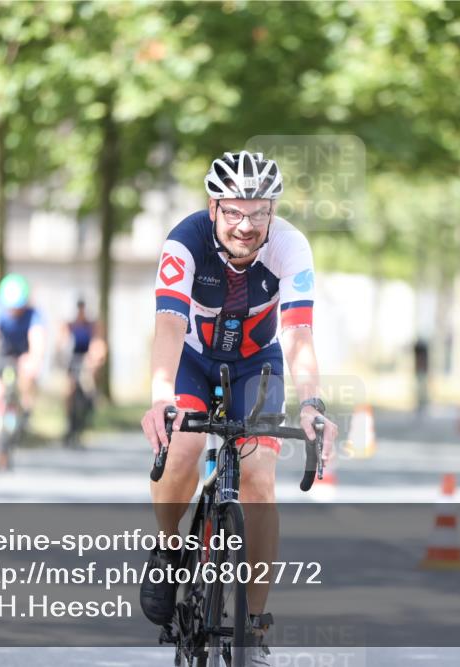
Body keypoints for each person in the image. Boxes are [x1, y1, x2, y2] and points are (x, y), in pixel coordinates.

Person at [139, 150, 339, 666]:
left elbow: (297, 332)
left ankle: (255, 623)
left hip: (258, 365)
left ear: (272, 210)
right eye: (233, 211)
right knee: (181, 451)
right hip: (192, 360)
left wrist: (312, 403)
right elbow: (168, 324)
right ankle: (166, 550)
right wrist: (161, 394)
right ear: (213, 208)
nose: (245, 225)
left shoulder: (291, 247)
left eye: (257, 212)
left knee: (259, 478)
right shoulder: (183, 242)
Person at [0, 273, 46, 465]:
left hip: (22, 355)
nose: (14, 311)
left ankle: (25, 408)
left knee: (27, 377)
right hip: (1, 356)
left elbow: (37, 340)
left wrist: (35, 360)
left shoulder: (33, 314)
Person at [58, 298, 106, 446]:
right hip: (72, 359)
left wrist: (94, 359)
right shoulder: (69, 325)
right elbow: (62, 343)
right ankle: (69, 424)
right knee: (69, 390)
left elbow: (98, 343)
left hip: (87, 360)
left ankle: (90, 408)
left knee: (88, 385)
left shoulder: (92, 325)